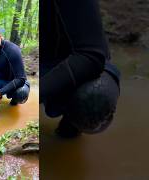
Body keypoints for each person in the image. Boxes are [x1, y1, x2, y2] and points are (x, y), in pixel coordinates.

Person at [41, 0, 121, 138]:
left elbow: (91, 57)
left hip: (76, 59)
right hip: (43, 59)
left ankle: (70, 127)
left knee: (93, 100)